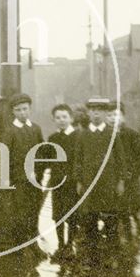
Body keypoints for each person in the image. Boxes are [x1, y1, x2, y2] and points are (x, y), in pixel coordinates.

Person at [72, 98, 128, 267]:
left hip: (108, 183)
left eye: (100, 110)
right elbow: (78, 159)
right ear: (88, 113)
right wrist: (79, 180)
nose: (96, 113)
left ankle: (112, 255)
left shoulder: (112, 134)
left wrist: (121, 181)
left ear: (105, 113)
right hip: (89, 184)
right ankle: (92, 256)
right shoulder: (83, 134)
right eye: (93, 110)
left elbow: (120, 159)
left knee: (111, 220)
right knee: (90, 220)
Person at [0, 93, 46, 255]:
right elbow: (2, 158)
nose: (22, 113)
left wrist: (40, 173)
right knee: (20, 213)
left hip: (34, 179)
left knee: (34, 210)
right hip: (17, 180)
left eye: (25, 109)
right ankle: (22, 246)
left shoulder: (36, 128)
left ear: (30, 109)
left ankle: (33, 244)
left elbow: (42, 152)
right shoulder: (9, 131)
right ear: (13, 112)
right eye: (18, 110)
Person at [107, 103, 140, 239]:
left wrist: (133, 172)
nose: (113, 118)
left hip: (130, 176)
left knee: (133, 204)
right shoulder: (105, 136)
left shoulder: (131, 134)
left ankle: (138, 222)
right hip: (113, 176)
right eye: (109, 115)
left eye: (116, 115)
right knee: (118, 204)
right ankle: (121, 228)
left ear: (123, 117)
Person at [46, 103, 79, 260]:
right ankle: (60, 245)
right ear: (53, 120)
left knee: (72, 215)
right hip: (57, 182)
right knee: (58, 215)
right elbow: (49, 160)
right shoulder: (53, 138)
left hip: (73, 182)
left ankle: (70, 245)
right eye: (58, 118)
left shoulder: (78, 137)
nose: (61, 120)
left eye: (64, 117)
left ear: (71, 118)